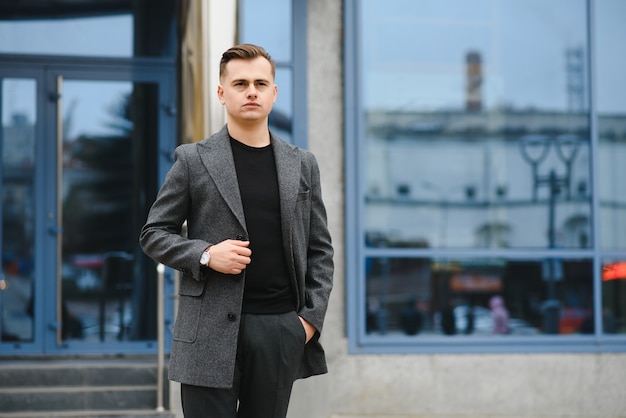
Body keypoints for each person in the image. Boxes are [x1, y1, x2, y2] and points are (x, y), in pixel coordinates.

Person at [139, 43, 334, 418]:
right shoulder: (193, 159)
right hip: (207, 333)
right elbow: (154, 233)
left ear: (274, 93)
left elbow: (320, 251)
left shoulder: (303, 164)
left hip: (279, 332)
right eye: (240, 83)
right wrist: (207, 255)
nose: (251, 91)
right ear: (221, 92)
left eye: (261, 83)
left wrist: (307, 323)